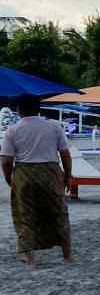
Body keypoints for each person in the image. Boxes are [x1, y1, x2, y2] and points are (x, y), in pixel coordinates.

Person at [0, 94, 73, 266]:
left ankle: (30, 257)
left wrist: (9, 178)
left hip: (24, 173)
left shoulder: (13, 130)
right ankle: (67, 255)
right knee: (58, 212)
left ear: (18, 110)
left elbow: (6, 160)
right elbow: (65, 154)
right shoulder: (54, 127)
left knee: (25, 213)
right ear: (39, 108)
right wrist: (68, 175)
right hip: (50, 172)